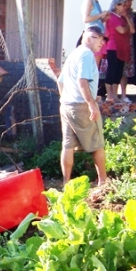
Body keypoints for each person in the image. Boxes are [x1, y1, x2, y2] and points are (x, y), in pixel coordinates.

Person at [57, 26, 108, 185]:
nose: (101, 43)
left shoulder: (74, 53)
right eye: (99, 39)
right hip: (81, 106)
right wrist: (91, 104)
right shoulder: (86, 54)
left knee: (68, 145)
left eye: (102, 40)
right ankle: (103, 182)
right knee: (97, 143)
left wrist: (65, 98)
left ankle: (66, 183)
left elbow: (60, 81)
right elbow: (82, 81)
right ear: (89, 37)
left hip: (66, 105)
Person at [104, 0, 135, 102]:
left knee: (118, 72)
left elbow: (133, 30)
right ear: (114, 5)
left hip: (123, 47)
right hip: (113, 46)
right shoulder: (112, 16)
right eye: (120, 5)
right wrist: (127, 27)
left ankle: (115, 95)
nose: (122, 7)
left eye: (124, 5)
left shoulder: (122, 18)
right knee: (112, 70)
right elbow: (122, 30)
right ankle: (109, 95)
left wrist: (126, 18)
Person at [80, 0, 110, 66]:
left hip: (99, 36)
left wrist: (104, 18)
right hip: (93, 37)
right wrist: (101, 15)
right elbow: (85, 19)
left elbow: (96, 20)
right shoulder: (88, 1)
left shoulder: (96, 2)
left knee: (97, 65)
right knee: (93, 65)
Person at [118, 0, 136, 102]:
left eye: (131, 1)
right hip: (117, 44)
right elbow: (121, 29)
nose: (129, 3)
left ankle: (124, 94)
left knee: (125, 71)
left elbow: (132, 29)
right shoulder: (114, 13)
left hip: (128, 43)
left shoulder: (131, 14)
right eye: (127, 1)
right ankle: (113, 95)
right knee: (115, 71)